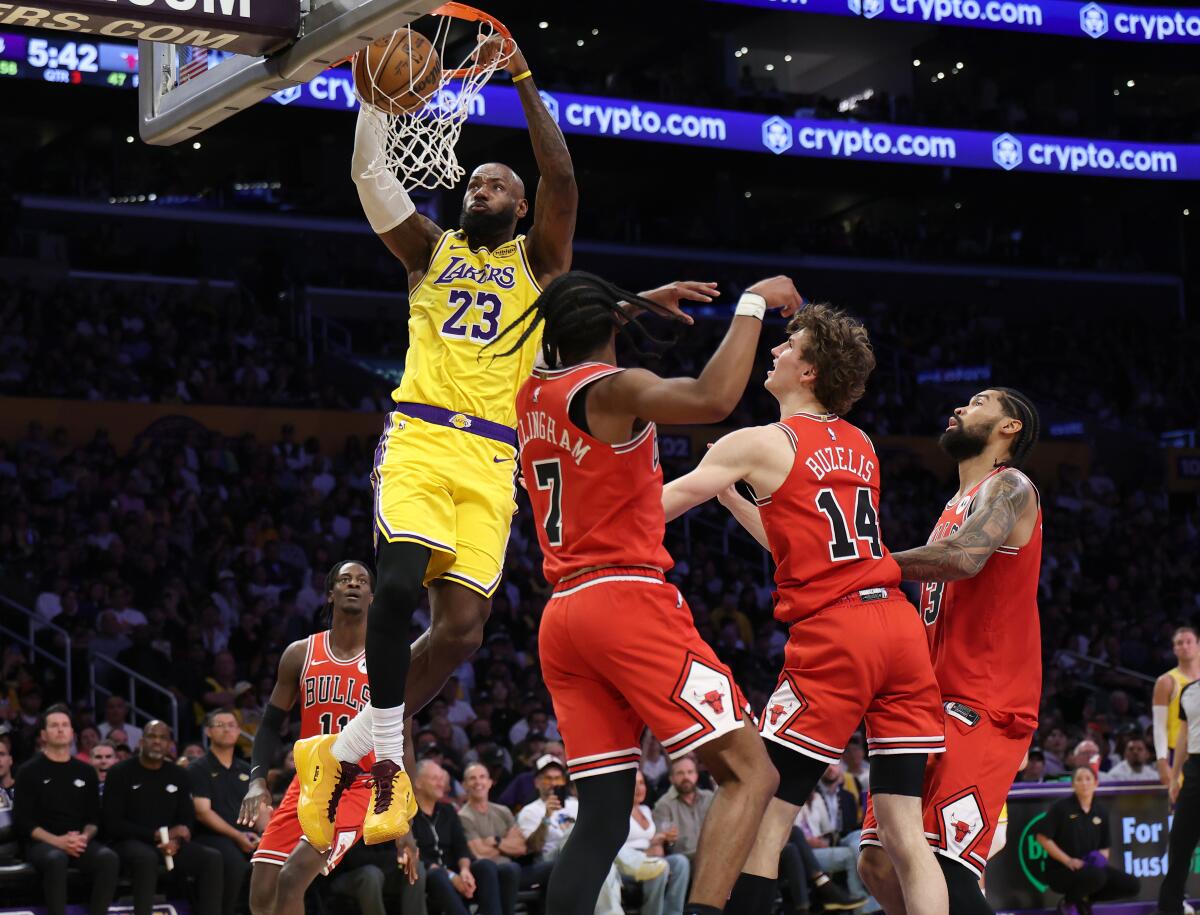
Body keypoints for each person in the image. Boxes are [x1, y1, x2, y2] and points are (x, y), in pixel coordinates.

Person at [295, 28, 584, 847]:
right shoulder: (428, 250)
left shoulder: (540, 264)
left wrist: (522, 74)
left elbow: (562, 176)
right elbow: (370, 175)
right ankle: (386, 766)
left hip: (492, 457)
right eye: (475, 181)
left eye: (498, 185)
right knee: (393, 592)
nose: (481, 188)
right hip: (421, 438)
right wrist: (374, 103)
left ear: (520, 207)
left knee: (461, 629)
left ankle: (338, 749)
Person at [506, 271, 801, 915]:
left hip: (564, 614)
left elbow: (570, 321)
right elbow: (713, 397)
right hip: (626, 602)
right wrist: (753, 302)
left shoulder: (529, 392)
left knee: (603, 817)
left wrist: (628, 304)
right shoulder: (616, 388)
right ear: (611, 324)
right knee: (752, 773)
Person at [663, 304, 947, 915]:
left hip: (838, 633)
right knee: (905, 833)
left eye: (788, 344)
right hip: (897, 627)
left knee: (765, 816)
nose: (774, 350)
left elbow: (662, 504)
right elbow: (803, 544)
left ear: (810, 370)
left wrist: (587, 513)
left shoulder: (760, 441)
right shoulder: (862, 444)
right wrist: (733, 499)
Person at [857, 387, 1042, 915]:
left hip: (983, 701)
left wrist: (867, 565)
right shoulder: (952, 506)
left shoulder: (1011, 486)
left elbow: (964, 557)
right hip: (931, 700)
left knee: (946, 869)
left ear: (1010, 427)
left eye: (979, 402)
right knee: (877, 861)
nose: (960, 407)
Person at [237, 561, 397, 915]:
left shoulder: (386, 659)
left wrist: (404, 821)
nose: (353, 584)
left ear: (372, 597)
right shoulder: (300, 653)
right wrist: (257, 780)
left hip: (357, 785)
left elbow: (404, 737)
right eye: (345, 579)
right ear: (330, 594)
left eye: (362, 581)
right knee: (261, 896)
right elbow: (269, 725)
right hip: (308, 782)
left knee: (292, 878)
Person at [102, 719, 223, 915]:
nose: (157, 741)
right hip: (129, 841)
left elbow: (187, 819)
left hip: (170, 843)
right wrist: (156, 835)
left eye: (163, 738)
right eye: (152, 736)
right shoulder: (119, 772)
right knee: (146, 858)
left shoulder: (179, 775)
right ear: (141, 742)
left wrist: (176, 841)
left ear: (169, 745)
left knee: (212, 858)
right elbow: (113, 823)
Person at [12, 704, 119, 915]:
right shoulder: (28, 771)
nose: (60, 729)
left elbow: (93, 819)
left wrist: (83, 838)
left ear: (72, 733)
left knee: (108, 858)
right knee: (56, 859)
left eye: (65, 725)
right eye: (54, 725)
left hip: (78, 842)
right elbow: (23, 822)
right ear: (44, 734)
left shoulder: (86, 771)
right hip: (42, 843)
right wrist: (58, 841)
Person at [412, 759, 515, 915]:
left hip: (456, 870)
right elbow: (416, 856)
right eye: (434, 779)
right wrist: (452, 876)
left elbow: (461, 847)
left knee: (486, 866)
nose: (441, 784)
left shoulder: (448, 811)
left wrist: (465, 870)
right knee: (437, 875)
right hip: (429, 875)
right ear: (418, 783)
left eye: (442, 779)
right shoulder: (407, 816)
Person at [1035, 766, 1138, 915]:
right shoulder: (1061, 808)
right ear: (1073, 784)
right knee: (1097, 877)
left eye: (1088, 779)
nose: (1084, 783)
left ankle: (1084, 900)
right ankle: (1068, 903)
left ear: (1096, 783)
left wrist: (1098, 860)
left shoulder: (1101, 811)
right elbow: (1042, 837)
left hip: (1090, 868)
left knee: (1131, 885)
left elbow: (1104, 847)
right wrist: (1068, 861)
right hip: (1061, 870)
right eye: (1079, 779)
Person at [188, 708, 258, 915]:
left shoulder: (246, 768)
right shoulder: (197, 768)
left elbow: (260, 810)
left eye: (231, 725)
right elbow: (202, 812)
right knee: (234, 862)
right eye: (220, 725)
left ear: (238, 731)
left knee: (275, 860)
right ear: (208, 731)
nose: (227, 730)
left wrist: (266, 836)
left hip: (246, 834)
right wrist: (237, 836)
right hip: (210, 836)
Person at [458, 762, 550, 893]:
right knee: (509, 869)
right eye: (472, 778)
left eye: (482, 777)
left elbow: (521, 848)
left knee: (553, 867)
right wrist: (507, 842)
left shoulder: (503, 811)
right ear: (464, 785)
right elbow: (479, 854)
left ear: (490, 782)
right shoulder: (463, 816)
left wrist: (497, 841)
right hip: (486, 876)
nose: (478, 782)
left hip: (513, 872)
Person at [1156, 679, 1200, 915]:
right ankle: (1170, 906)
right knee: (1180, 839)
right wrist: (1175, 777)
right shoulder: (1189, 691)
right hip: (1194, 769)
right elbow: (1183, 734)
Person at [620, 770, 690, 915]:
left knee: (681, 862)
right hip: (627, 862)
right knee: (659, 867)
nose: (639, 788)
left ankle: (673, 913)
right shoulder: (617, 812)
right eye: (633, 784)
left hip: (649, 857)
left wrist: (659, 840)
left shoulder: (645, 809)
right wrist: (646, 853)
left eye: (641, 783)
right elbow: (615, 847)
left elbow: (647, 841)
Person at [1153, 628, 1200, 786]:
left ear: (1198, 645)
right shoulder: (1166, 681)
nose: (1185, 646)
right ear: (1174, 649)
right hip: (1180, 755)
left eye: (1189, 642)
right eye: (1180, 643)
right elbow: (1159, 726)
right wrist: (1161, 759)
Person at [515, 754, 579, 863]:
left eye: (557, 778)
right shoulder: (529, 811)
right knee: (570, 837)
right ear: (537, 782)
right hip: (548, 861)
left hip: (577, 855)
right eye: (548, 778)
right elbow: (533, 848)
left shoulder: (575, 804)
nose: (553, 783)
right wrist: (546, 817)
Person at [652, 755, 714, 862]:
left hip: (713, 853)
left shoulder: (709, 797)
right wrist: (668, 839)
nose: (686, 777)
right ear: (671, 778)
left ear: (696, 775)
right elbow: (662, 841)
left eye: (690, 772)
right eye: (680, 773)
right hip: (685, 858)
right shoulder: (664, 804)